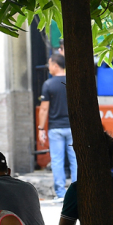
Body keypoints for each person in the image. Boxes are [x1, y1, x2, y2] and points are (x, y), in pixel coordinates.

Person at [39, 52, 76, 197]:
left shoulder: (48, 84)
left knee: (57, 161)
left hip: (55, 129)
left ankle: (61, 194)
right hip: (73, 128)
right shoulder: (72, 82)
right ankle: (77, 191)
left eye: (49, 64)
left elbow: (44, 109)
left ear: (55, 65)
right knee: (75, 160)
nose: (48, 67)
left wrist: (41, 128)